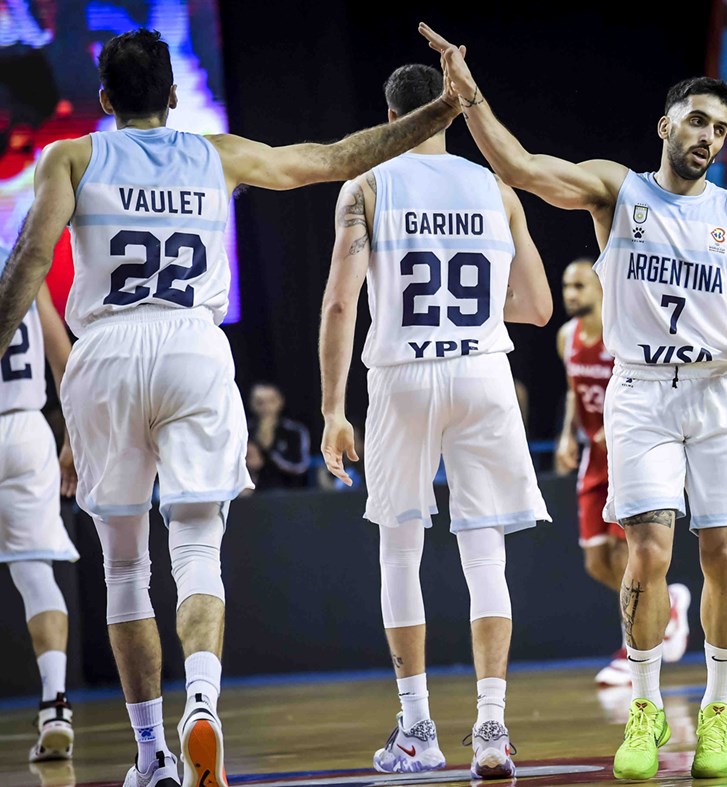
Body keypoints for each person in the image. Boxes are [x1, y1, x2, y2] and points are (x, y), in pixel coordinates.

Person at [0, 28, 462, 787]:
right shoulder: (218, 153)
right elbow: (336, 157)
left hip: (107, 351)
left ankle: (150, 756)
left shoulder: (73, 157)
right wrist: (440, 109)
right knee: (196, 551)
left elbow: (28, 261)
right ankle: (203, 705)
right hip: (193, 348)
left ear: (106, 99)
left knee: (123, 567)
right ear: (175, 95)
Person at [420, 24, 727, 781]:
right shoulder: (618, 191)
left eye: (719, 128)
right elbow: (517, 166)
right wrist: (467, 92)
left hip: (719, 389)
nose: (707, 136)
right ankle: (645, 709)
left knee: (722, 554)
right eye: (696, 120)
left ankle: (719, 710)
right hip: (642, 390)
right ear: (665, 124)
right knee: (646, 552)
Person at [318, 63, 552, 780]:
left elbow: (338, 306)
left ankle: (417, 728)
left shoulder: (365, 186)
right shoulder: (495, 188)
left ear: (390, 117)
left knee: (400, 551)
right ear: (448, 117)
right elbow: (538, 307)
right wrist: (475, 314)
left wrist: (332, 409)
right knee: (485, 555)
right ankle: (490, 726)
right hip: (484, 370)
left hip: (403, 373)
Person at [554, 258, 690, 687]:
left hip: (626, 453)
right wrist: (566, 435)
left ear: (599, 288)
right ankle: (667, 607)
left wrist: (623, 430)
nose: (570, 294)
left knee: (627, 556)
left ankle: (636, 650)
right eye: (566, 286)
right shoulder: (566, 337)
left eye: (578, 285)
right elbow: (574, 391)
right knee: (596, 562)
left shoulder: (621, 334)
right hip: (593, 458)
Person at [0, 249, 79, 765]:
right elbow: (63, 356)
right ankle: (55, 706)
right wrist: (73, 433)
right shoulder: (23, 269)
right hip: (29, 430)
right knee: (35, 574)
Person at [246, 382, 311, 490]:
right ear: (252, 404)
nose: (266, 407)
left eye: (271, 401)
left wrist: (271, 453)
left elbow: (301, 466)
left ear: (280, 402)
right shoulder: (245, 432)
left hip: (288, 491)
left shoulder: (294, 431)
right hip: (254, 493)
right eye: (260, 402)